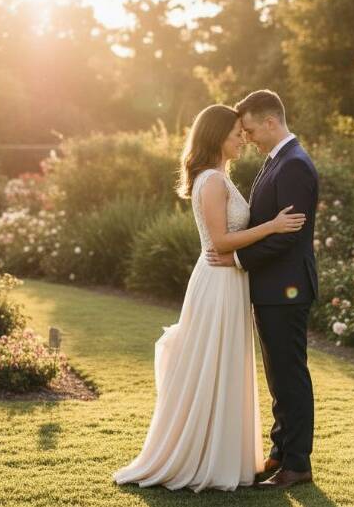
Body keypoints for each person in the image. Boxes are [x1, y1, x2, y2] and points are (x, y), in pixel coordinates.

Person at [113, 103, 306, 493]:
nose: (242, 138)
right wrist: (272, 225)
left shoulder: (218, 176)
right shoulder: (213, 181)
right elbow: (218, 241)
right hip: (218, 281)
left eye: (244, 131)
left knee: (223, 364)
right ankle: (204, 456)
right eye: (237, 132)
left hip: (228, 279)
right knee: (213, 364)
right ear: (217, 136)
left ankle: (224, 455)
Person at [206, 89, 319, 490]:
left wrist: (237, 260)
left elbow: (289, 235)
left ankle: (298, 464)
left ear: (271, 122)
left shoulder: (294, 166)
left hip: (286, 287)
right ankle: (280, 451)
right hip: (271, 287)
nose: (247, 137)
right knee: (278, 374)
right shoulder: (277, 161)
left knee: (290, 374)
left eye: (251, 129)